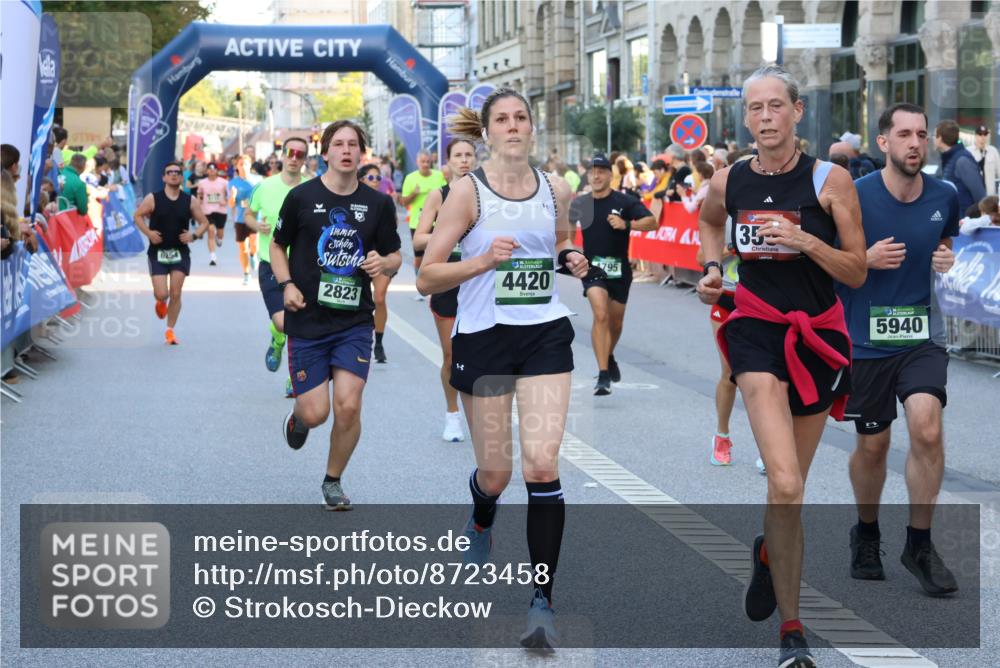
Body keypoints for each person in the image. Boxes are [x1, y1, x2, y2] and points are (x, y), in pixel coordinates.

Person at [696, 65, 867, 668]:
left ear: (797, 111)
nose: (765, 117)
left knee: (786, 493)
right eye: (755, 108)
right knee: (787, 482)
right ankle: (793, 635)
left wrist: (809, 244)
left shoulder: (831, 181)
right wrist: (713, 271)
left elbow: (856, 270)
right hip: (756, 330)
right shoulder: (731, 178)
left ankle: (769, 551)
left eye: (776, 106)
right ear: (745, 117)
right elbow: (710, 221)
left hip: (817, 340)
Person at [416, 87, 591, 652]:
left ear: (532, 128)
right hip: (485, 339)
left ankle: (542, 601)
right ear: (486, 133)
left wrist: (570, 260)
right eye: (503, 120)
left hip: (544, 335)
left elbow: (556, 244)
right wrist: (484, 260)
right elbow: (427, 276)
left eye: (521, 118)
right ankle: (482, 515)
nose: (513, 127)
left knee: (541, 466)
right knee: (496, 473)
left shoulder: (556, 188)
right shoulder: (468, 194)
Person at [838, 103, 961, 595]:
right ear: (883, 142)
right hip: (864, 338)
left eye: (922, 134)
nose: (915, 143)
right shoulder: (854, 196)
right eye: (904, 134)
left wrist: (947, 257)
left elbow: (945, 241)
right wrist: (862, 260)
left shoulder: (944, 195)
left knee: (927, 429)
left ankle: (920, 543)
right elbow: (830, 261)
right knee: (874, 445)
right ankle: (866, 533)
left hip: (920, 335)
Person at [270, 120, 402, 510]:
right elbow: (279, 247)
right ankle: (298, 419)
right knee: (316, 413)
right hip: (308, 320)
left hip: (354, 322)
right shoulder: (301, 197)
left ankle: (333, 480)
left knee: (349, 404)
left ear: (362, 153)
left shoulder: (378, 204)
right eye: (338, 144)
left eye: (353, 144)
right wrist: (286, 285)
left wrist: (385, 262)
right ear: (324, 152)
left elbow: (395, 255)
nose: (346, 150)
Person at [570, 154, 657, 395]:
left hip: (620, 269)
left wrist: (627, 225)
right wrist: (569, 254)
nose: (596, 176)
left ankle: (608, 355)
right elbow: (565, 232)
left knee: (616, 322)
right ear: (588, 176)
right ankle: (603, 374)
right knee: (600, 314)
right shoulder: (581, 204)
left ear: (610, 175)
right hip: (593, 268)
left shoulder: (625, 201)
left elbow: (653, 222)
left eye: (601, 171)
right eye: (592, 172)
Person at [412, 138, 477, 442]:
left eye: (469, 155)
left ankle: (482, 414)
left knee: (483, 354)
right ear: (448, 162)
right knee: (451, 356)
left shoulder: (486, 195)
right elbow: (418, 240)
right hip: (447, 280)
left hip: (480, 280)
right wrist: (448, 234)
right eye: (458, 155)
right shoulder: (440, 195)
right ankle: (453, 415)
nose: (464, 160)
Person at [246, 138, 308, 396]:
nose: (294, 157)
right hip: (271, 263)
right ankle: (277, 337)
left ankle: (294, 378)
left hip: (302, 266)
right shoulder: (265, 187)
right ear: (282, 155)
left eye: (300, 154)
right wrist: (256, 225)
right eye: (290, 152)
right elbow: (248, 213)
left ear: (305, 158)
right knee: (284, 323)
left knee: (302, 325)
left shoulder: (313, 188)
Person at [133, 161, 212, 345]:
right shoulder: (153, 198)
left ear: (181, 176)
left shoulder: (189, 200)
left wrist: (194, 235)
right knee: (162, 294)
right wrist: (149, 233)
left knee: (176, 293)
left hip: (180, 252)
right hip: (158, 252)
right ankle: (160, 302)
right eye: (170, 172)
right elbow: (137, 216)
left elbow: (204, 223)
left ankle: (170, 331)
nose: (174, 175)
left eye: (177, 172)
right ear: (164, 177)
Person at [358, 163, 394, 363]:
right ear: (361, 179)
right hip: (358, 255)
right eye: (371, 177)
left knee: (379, 298)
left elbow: (392, 229)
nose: (376, 181)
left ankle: (378, 342)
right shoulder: (353, 199)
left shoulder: (384, 201)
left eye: (378, 178)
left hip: (381, 255)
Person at [400, 150, 447, 275]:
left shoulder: (439, 175)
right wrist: (414, 193)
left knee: (437, 256)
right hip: (417, 223)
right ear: (417, 162)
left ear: (431, 161)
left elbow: (447, 195)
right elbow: (404, 202)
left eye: (427, 161)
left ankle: (433, 289)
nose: (425, 164)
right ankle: (419, 283)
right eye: (422, 162)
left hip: (437, 223)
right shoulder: (410, 178)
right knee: (419, 257)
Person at [934, 119, 986, 215]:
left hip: (963, 225)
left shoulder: (962, 161)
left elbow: (981, 198)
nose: (933, 139)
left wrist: (966, 220)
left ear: (940, 138)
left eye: (934, 136)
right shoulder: (947, 159)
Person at [229, 155, 257, 284]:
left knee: (254, 244)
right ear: (237, 167)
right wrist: (233, 197)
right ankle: (246, 273)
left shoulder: (258, 181)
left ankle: (253, 254)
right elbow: (231, 204)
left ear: (250, 165)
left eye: (246, 164)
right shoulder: (233, 183)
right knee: (243, 248)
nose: (243, 166)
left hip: (256, 218)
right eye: (241, 164)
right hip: (240, 219)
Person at [198, 162, 229, 265]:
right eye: (209, 169)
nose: (211, 170)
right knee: (211, 230)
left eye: (214, 169)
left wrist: (225, 201)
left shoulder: (224, 182)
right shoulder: (202, 183)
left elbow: (230, 195)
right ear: (207, 170)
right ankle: (213, 257)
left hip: (221, 210)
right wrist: (198, 204)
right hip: (207, 210)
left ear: (217, 170)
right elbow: (200, 195)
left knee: (220, 233)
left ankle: (219, 239)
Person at [969, 124, 999, 196]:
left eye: (985, 134)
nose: (983, 137)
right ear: (976, 136)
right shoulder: (968, 151)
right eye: (980, 134)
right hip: (974, 196)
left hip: (990, 196)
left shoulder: (993, 151)